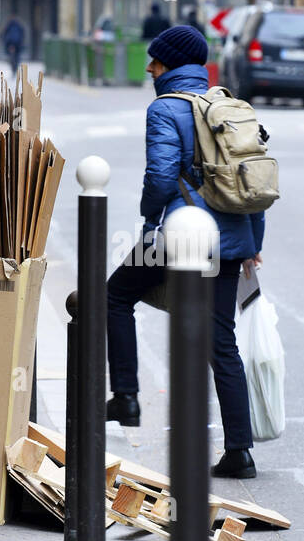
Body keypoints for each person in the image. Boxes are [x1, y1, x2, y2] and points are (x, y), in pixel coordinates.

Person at [106, 24, 265, 480]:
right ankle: (240, 451)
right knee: (221, 342)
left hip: (181, 233)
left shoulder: (166, 109)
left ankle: (127, 395)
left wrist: (149, 220)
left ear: (170, 64)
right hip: (231, 238)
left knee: (114, 296)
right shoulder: (232, 105)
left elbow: (160, 177)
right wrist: (253, 243)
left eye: (155, 61)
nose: (149, 67)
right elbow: (253, 182)